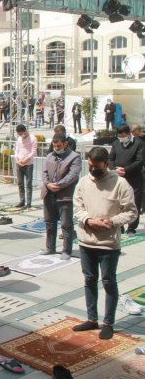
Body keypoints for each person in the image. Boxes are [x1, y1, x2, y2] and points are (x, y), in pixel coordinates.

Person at [72, 146, 137, 340]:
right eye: (90, 166)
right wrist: (88, 220)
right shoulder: (83, 182)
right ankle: (92, 319)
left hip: (108, 244)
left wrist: (111, 222)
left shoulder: (121, 184)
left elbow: (131, 212)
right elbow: (77, 207)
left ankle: (108, 322)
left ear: (106, 164)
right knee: (89, 280)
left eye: (97, 167)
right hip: (86, 241)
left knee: (108, 281)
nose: (93, 170)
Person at [41, 133, 81, 259]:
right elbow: (44, 172)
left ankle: (66, 250)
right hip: (49, 194)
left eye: (59, 146)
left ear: (65, 143)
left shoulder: (74, 157)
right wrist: (48, 184)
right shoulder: (50, 156)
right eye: (54, 146)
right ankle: (50, 247)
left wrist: (58, 185)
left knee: (66, 224)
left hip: (65, 195)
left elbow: (72, 176)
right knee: (49, 222)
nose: (56, 148)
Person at [108, 124, 144, 236]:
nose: (122, 137)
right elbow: (110, 159)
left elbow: (139, 161)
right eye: (119, 135)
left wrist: (126, 169)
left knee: (135, 203)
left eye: (123, 134)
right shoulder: (116, 143)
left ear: (129, 133)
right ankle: (120, 226)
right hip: (118, 178)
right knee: (118, 203)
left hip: (135, 178)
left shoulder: (139, 143)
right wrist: (114, 168)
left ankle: (132, 227)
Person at [14, 124, 37, 208]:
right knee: (20, 183)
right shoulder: (19, 139)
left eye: (21, 133)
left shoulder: (33, 138)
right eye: (19, 134)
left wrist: (26, 159)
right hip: (19, 163)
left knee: (28, 183)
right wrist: (17, 160)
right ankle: (22, 200)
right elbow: (17, 150)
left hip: (28, 164)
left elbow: (33, 151)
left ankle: (29, 202)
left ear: (25, 131)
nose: (20, 135)